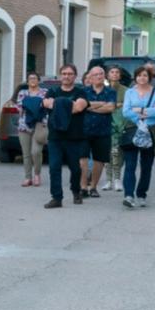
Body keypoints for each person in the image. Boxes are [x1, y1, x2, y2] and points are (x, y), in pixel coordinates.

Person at [42, 64, 89, 208]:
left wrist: (58, 104)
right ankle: (57, 197)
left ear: (75, 76)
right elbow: (46, 103)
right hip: (55, 137)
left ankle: (76, 191)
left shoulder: (81, 92)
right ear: (60, 75)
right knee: (54, 167)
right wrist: (68, 104)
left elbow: (79, 107)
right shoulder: (52, 91)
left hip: (74, 137)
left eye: (70, 74)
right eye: (64, 73)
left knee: (75, 168)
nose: (67, 76)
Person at [121, 66, 155, 208]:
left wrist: (139, 110)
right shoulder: (129, 92)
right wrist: (140, 117)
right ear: (135, 78)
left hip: (150, 130)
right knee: (130, 165)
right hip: (133, 129)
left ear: (149, 77)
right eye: (139, 76)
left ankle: (141, 194)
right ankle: (128, 195)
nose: (142, 78)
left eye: (145, 75)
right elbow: (126, 111)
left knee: (146, 166)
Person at [79, 66, 115, 198]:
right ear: (90, 77)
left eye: (101, 74)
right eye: (96, 74)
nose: (99, 76)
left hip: (103, 130)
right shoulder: (83, 91)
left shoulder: (110, 92)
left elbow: (110, 107)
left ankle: (93, 187)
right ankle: (83, 187)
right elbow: (81, 107)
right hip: (83, 130)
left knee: (99, 160)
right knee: (82, 159)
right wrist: (100, 104)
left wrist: (90, 106)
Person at [15, 72, 48, 187]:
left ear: (39, 80)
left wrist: (29, 105)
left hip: (40, 125)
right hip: (24, 126)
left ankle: (37, 175)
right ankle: (28, 177)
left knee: (36, 151)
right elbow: (20, 108)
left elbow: (46, 106)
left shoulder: (45, 92)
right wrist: (37, 105)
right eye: (30, 78)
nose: (33, 80)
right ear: (27, 81)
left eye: (35, 78)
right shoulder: (22, 92)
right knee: (26, 153)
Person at [102, 65, 127, 192]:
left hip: (120, 124)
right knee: (107, 154)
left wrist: (113, 106)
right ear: (107, 75)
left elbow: (126, 106)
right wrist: (116, 105)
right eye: (112, 72)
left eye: (117, 72)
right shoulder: (104, 90)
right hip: (106, 125)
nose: (115, 74)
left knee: (116, 153)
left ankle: (117, 179)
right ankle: (108, 180)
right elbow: (101, 105)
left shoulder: (126, 90)